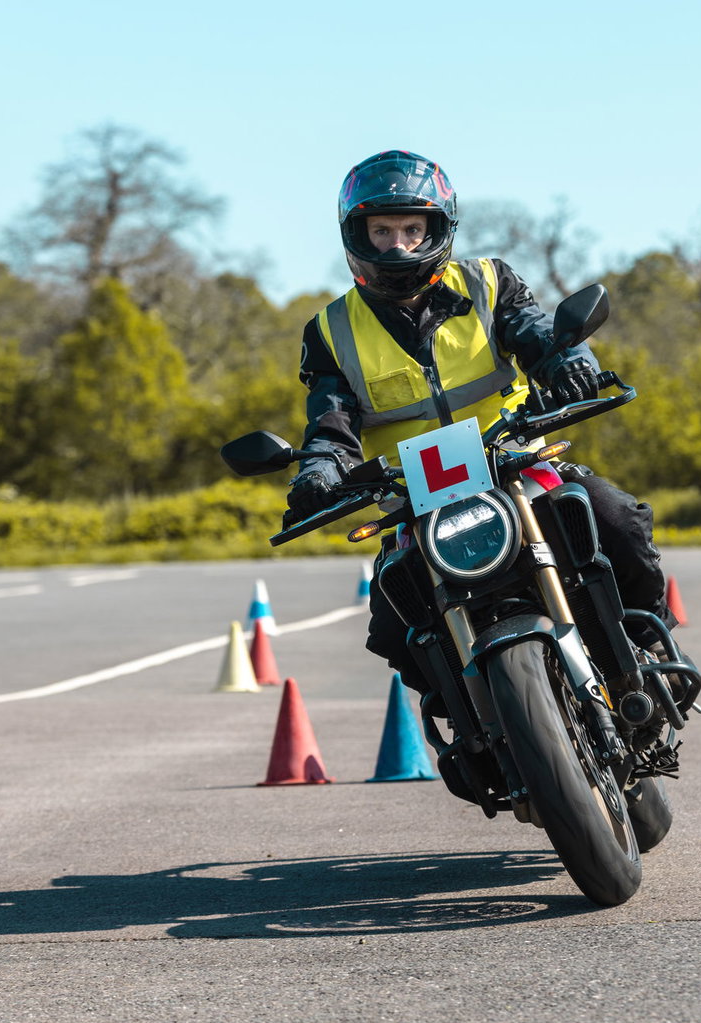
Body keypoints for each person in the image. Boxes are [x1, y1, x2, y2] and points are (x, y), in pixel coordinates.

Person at [287, 149, 677, 701]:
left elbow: (536, 333)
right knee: (393, 621)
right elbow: (331, 420)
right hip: (416, 499)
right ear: (358, 234)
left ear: (438, 229)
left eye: (410, 227)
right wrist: (320, 469)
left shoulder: (489, 283)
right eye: (381, 230)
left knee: (616, 520)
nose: (396, 243)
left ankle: (650, 652)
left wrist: (567, 361)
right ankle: (475, 726)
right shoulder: (330, 330)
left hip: (516, 463)